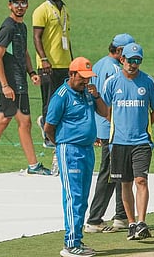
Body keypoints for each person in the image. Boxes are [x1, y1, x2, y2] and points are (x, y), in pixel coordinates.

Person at [0, 0, 51, 177]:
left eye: (23, 2)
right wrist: (5, 85)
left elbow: (23, 51)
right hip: (11, 85)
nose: (20, 6)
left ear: (27, 5)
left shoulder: (22, 26)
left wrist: (32, 73)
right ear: (9, 5)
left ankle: (31, 165)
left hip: (20, 82)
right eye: (16, 3)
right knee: (12, 120)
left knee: (13, 121)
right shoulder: (8, 27)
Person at [44, 57, 108, 257]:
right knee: (74, 197)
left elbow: (106, 112)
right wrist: (62, 145)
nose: (86, 82)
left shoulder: (88, 93)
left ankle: (77, 240)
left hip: (86, 150)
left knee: (82, 198)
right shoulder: (61, 96)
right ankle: (70, 244)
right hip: (69, 150)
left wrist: (97, 96)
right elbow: (49, 128)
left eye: (88, 78)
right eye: (83, 78)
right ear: (72, 74)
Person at [102, 42, 154, 241]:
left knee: (141, 180)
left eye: (137, 61)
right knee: (125, 183)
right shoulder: (112, 82)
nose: (133, 64)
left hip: (142, 142)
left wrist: (144, 125)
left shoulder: (148, 82)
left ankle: (142, 222)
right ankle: (131, 223)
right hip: (118, 142)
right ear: (122, 60)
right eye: (130, 60)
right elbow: (105, 109)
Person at [84, 33, 135, 233]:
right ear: (120, 51)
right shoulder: (116, 70)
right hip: (112, 129)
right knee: (109, 174)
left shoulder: (100, 63)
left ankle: (121, 216)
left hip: (105, 126)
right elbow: (110, 102)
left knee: (122, 172)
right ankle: (95, 219)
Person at [32, 0, 72, 152]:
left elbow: (66, 38)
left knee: (62, 98)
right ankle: (48, 134)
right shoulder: (41, 10)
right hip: (48, 64)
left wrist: (72, 61)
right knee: (49, 99)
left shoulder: (65, 9)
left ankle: (51, 125)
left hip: (64, 62)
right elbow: (36, 37)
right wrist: (44, 59)